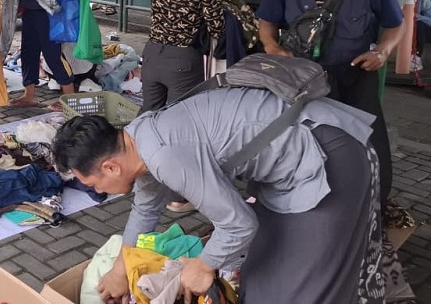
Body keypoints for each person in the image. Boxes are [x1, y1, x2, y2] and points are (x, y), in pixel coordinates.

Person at [52, 88, 383, 303]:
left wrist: (203, 265)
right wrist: (120, 270)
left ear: (110, 168)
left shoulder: (165, 156)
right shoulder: (136, 140)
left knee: (306, 287)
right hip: (294, 160)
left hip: (329, 156)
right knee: (260, 275)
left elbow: (239, 224)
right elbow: (145, 209)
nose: (95, 192)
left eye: (92, 183)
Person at [257, 0, 404, 204]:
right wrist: (271, 46)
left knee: (367, 141)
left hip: (354, 75)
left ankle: (372, 201)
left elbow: (395, 24)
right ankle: (299, 200)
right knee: (300, 139)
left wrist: (383, 51)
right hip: (302, 77)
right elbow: (267, 21)